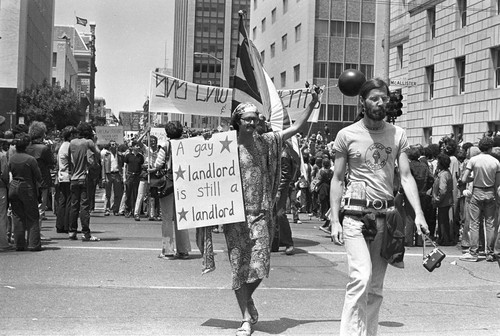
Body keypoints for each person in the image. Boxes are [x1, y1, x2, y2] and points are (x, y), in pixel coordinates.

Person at [329, 78, 428, 336]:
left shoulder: (398, 134)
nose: (380, 103)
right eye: (374, 98)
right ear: (363, 101)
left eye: (384, 98)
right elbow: (337, 179)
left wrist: (418, 214)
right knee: (360, 278)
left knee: (374, 287)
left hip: (385, 217)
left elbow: (405, 176)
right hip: (355, 216)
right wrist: (335, 220)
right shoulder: (347, 135)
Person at [221, 87, 318, 336]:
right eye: (248, 119)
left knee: (260, 265)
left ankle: (247, 299)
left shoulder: (266, 143)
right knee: (239, 266)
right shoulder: (225, 146)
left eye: (256, 118)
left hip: (261, 213)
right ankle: (245, 319)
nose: (253, 122)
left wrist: (313, 103)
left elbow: (295, 129)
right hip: (235, 216)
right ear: (238, 122)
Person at [150, 121, 191, 260]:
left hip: (168, 183)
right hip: (184, 183)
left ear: (167, 133)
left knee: (167, 217)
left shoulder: (166, 145)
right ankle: (183, 250)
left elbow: (158, 164)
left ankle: (167, 250)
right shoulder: (188, 144)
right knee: (182, 216)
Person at [459, 136, 500, 262]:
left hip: (477, 191)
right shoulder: (496, 162)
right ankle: (490, 252)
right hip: (490, 193)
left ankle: (474, 252)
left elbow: (464, 179)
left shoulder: (474, 160)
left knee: (475, 223)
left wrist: (474, 178)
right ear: (490, 148)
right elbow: (497, 183)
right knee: (490, 224)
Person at [8, 133, 42, 251]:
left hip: (13, 186)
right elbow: (38, 176)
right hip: (27, 187)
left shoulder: (11, 158)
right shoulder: (30, 159)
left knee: (17, 216)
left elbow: (7, 172)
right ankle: (33, 243)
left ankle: (19, 244)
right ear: (26, 146)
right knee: (32, 216)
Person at [68, 122, 100, 241]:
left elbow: (69, 159)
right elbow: (98, 153)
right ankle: (86, 233)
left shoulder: (72, 143)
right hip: (84, 177)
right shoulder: (88, 142)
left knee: (74, 205)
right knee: (84, 206)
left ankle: (72, 231)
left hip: (74, 178)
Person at [274, 142, 300, 255]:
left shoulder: (283, 154)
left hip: (280, 188)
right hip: (276, 187)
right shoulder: (279, 153)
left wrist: (279, 190)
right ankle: (275, 243)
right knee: (273, 214)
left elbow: (285, 175)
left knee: (280, 213)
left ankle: (288, 243)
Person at [56, 126, 78, 233]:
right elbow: (73, 161)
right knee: (69, 201)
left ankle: (60, 225)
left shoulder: (62, 146)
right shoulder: (69, 146)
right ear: (70, 136)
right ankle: (67, 225)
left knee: (63, 201)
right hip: (68, 176)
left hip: (62, 176)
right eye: (74, 135)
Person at [431, 153, 454, 246]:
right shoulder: (446, 172)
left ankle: (444, 239)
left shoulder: (443, 175)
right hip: (446, 200)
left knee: (443, 221)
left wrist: (437, 199)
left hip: (443, 201)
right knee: (443, 220)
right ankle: (444, 238)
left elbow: (443, 189)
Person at [101, 140, 124, 216]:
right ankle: (107, 209)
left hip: (117, 174)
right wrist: (103, 177)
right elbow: (103, 167)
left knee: (117, 193)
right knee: (108, 193)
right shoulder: (106, 155)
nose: (113, 146)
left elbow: (122, 165)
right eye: (111, 144)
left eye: (114, 144)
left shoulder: (119, 155)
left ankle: (115, 209)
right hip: (109, 174)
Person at [123, 140, 144, 218]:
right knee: (128, 194)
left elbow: (142, 167)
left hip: (137, 176)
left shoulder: (141, 156)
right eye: (136, 146)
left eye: (138, 146)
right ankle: (127, 210)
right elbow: (125, 167)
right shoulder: (128, 156)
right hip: (129, 176)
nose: (138, 147)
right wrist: (124, 177)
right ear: (132, 147)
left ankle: (135, 211)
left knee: (136, 194)